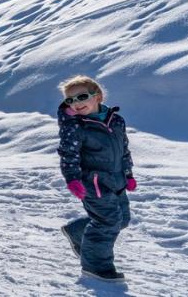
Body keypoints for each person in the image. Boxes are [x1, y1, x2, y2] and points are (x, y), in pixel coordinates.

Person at [56, 75, 136, 282]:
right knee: (106, 222)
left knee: (122, 219)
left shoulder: (116, 120)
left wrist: (128, 174)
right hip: (92, 184)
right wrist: (72, 179)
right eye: (70, 100)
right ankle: (95, 267)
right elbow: (68, 154)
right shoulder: (74, 126)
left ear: (98, 96)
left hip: (116, 180)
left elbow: (124, 150)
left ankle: (77, 231)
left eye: (81, 97)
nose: (76, 103)